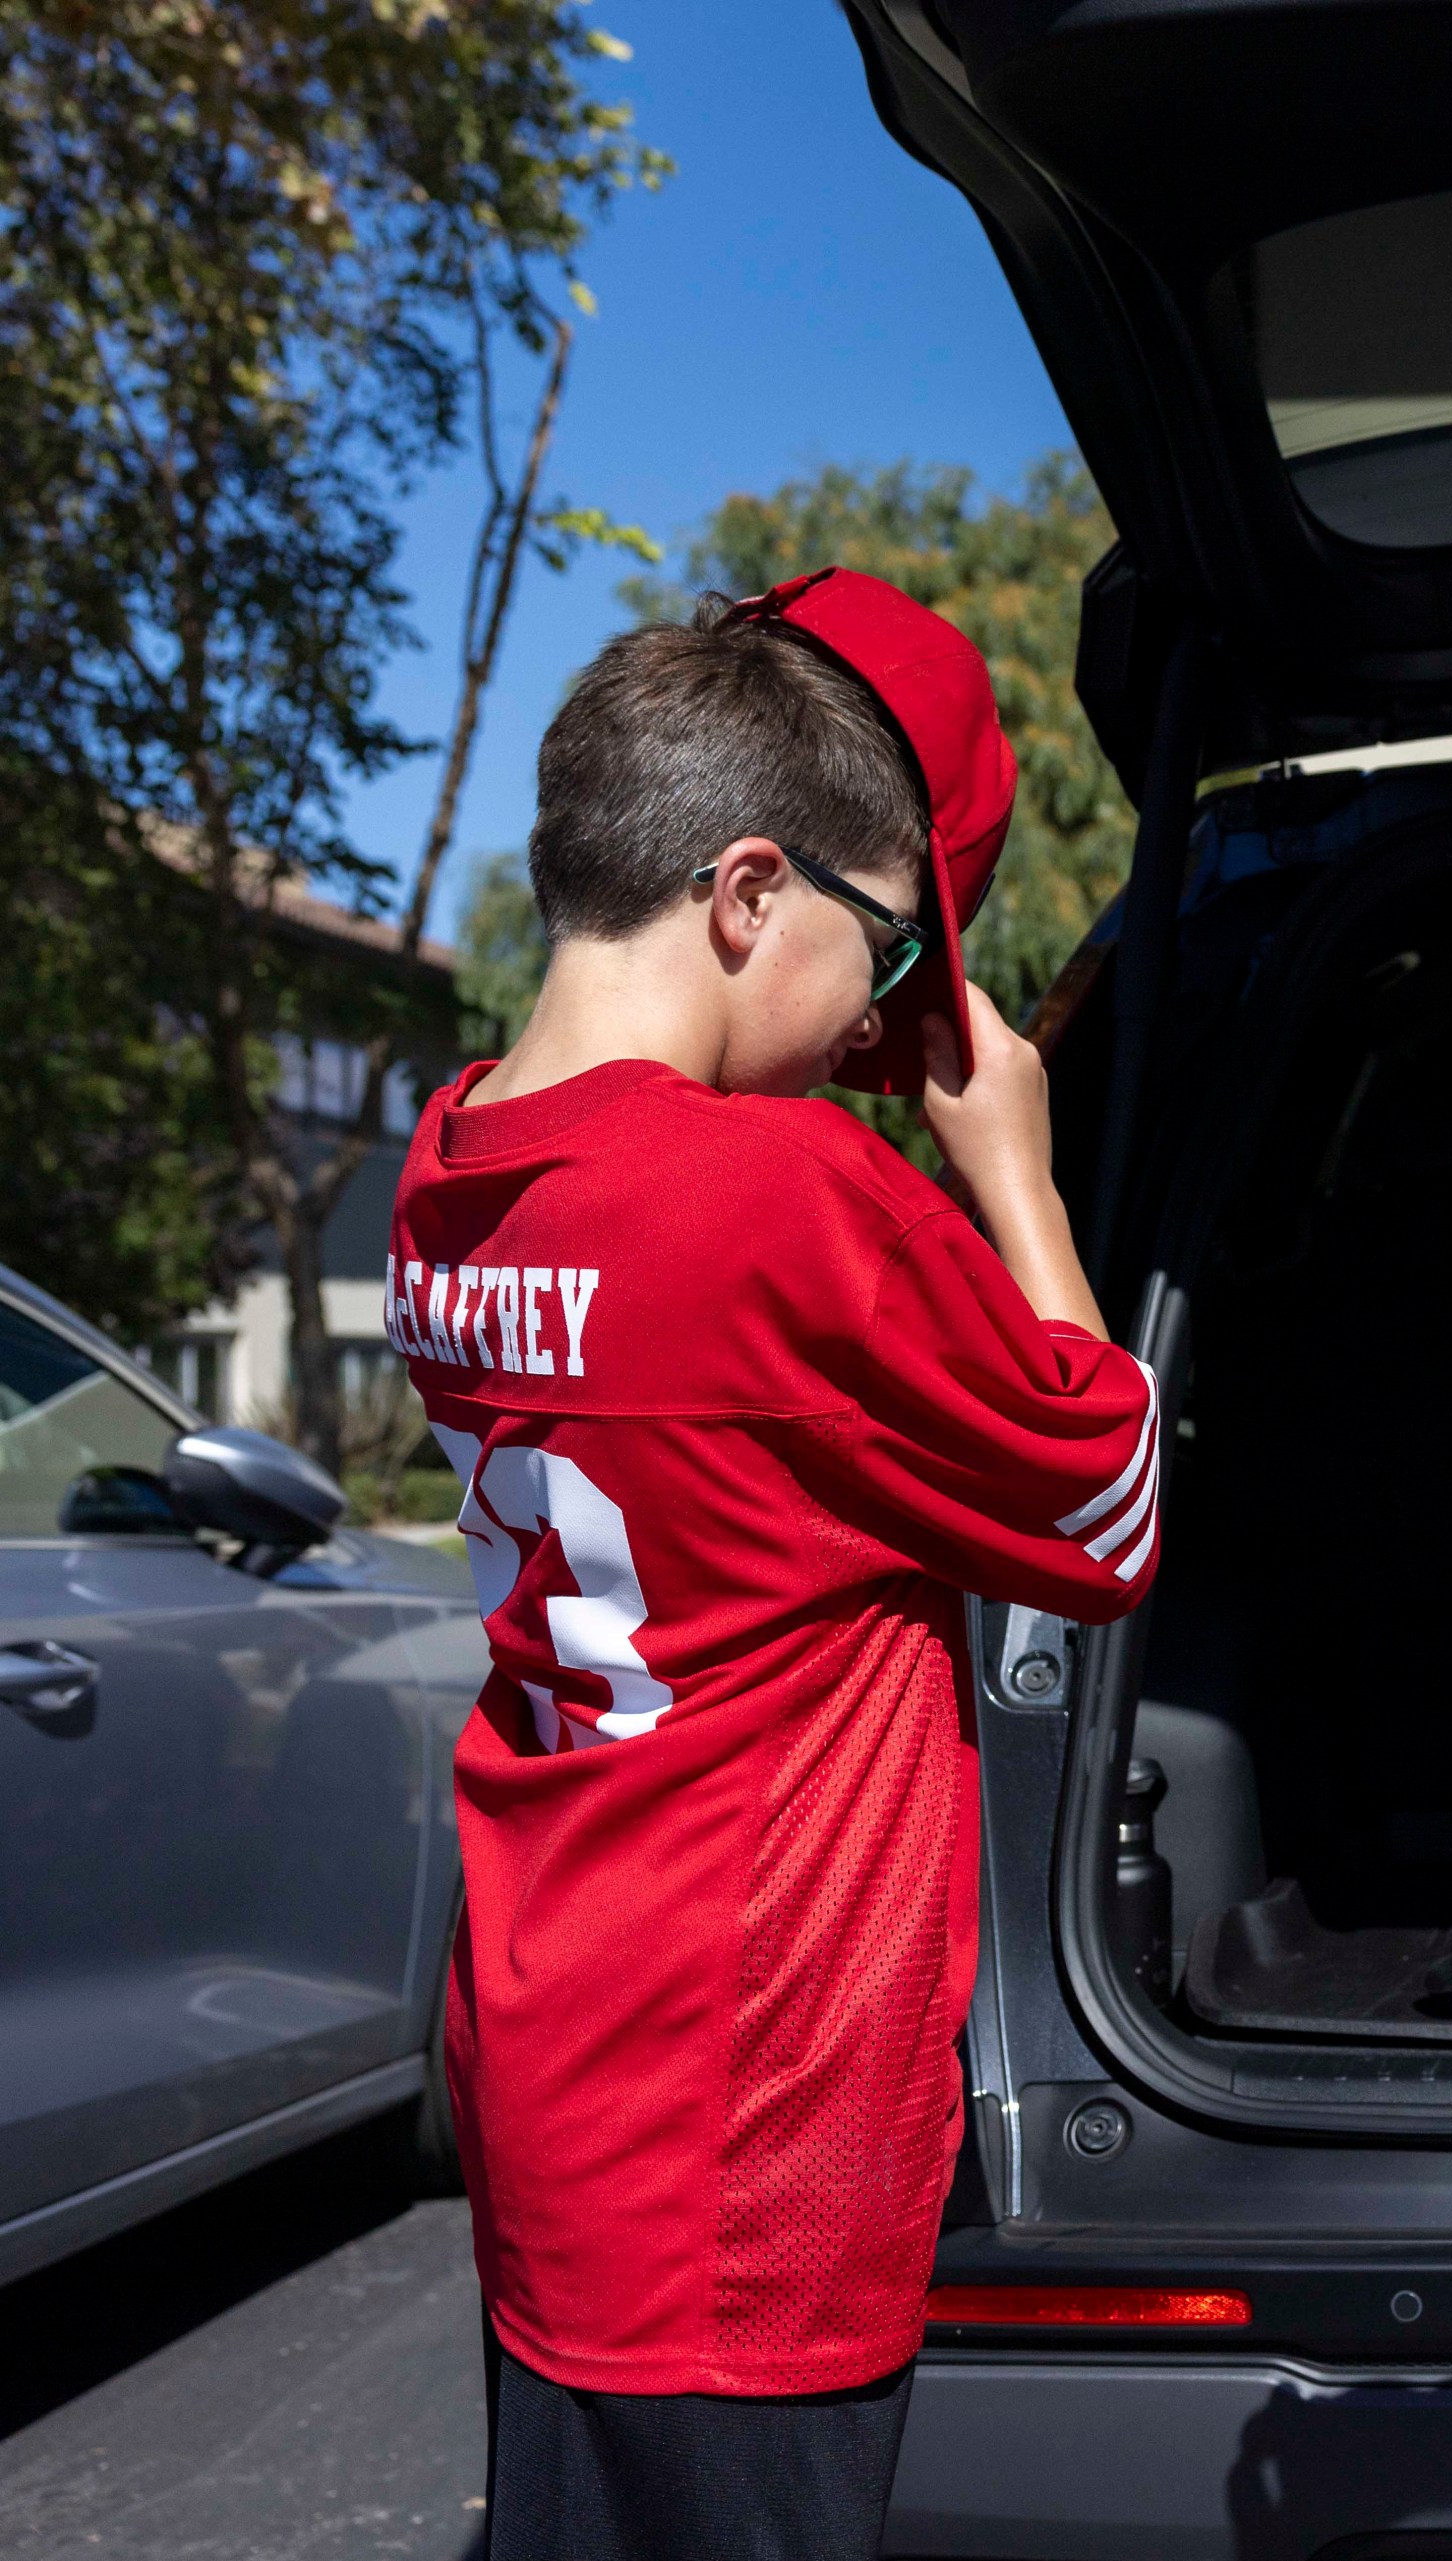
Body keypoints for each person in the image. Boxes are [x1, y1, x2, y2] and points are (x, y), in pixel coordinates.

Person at [391, 569, 1161, 2560]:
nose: (893, 1017)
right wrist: (1014, 1174)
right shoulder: (785, 1200)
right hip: (750, 2142)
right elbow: (1112, 1512)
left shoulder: (445, 1165)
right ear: (747, 897)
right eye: (892, 948)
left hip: (560, 2085)